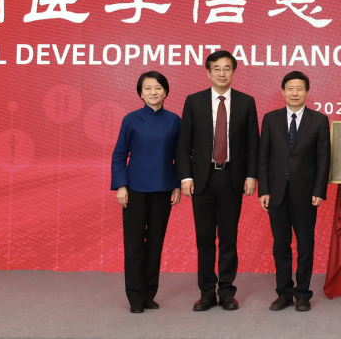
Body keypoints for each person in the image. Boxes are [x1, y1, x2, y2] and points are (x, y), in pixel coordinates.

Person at [177, 50, 259, 312]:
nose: (222, 73)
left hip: (232, 178)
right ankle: (206, 293)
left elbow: (253, 144)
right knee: (204, 239)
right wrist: (186, 176)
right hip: (202, 179)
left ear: (233, 72)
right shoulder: (194, 101)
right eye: (217, 68)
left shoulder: (246, 102)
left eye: (227, 68)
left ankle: (226, 292)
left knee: (228, 238)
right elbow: (184, 144)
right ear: (208, 72)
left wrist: (251, 175)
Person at [258, 71, 330, 312]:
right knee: (281, 245)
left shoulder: (319, 120)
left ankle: (302, 294)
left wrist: (319, 190)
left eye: (299, 88)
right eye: (290, 88)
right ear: (283, 91)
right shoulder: (271, 119)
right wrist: (264, 189)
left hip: (306, 193)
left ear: (307, 91)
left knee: (305, 246)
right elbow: (263, 156)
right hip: (276, 192)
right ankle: (284, 293)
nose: (295, 93)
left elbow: (323, 158)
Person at [110, 71, 182, 313]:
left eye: (158, 87)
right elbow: (120, 154)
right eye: (148, 88)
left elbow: (180, 155)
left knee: (155, 243)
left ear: (166, 91)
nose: (153, 92)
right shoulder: (131, 119)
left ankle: (149, 294)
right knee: (134, 245)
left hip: (163, 188)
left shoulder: (174, 120)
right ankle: (135, 297)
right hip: (134, 189)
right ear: (140, 93)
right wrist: (121, 186)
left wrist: (177, 184)